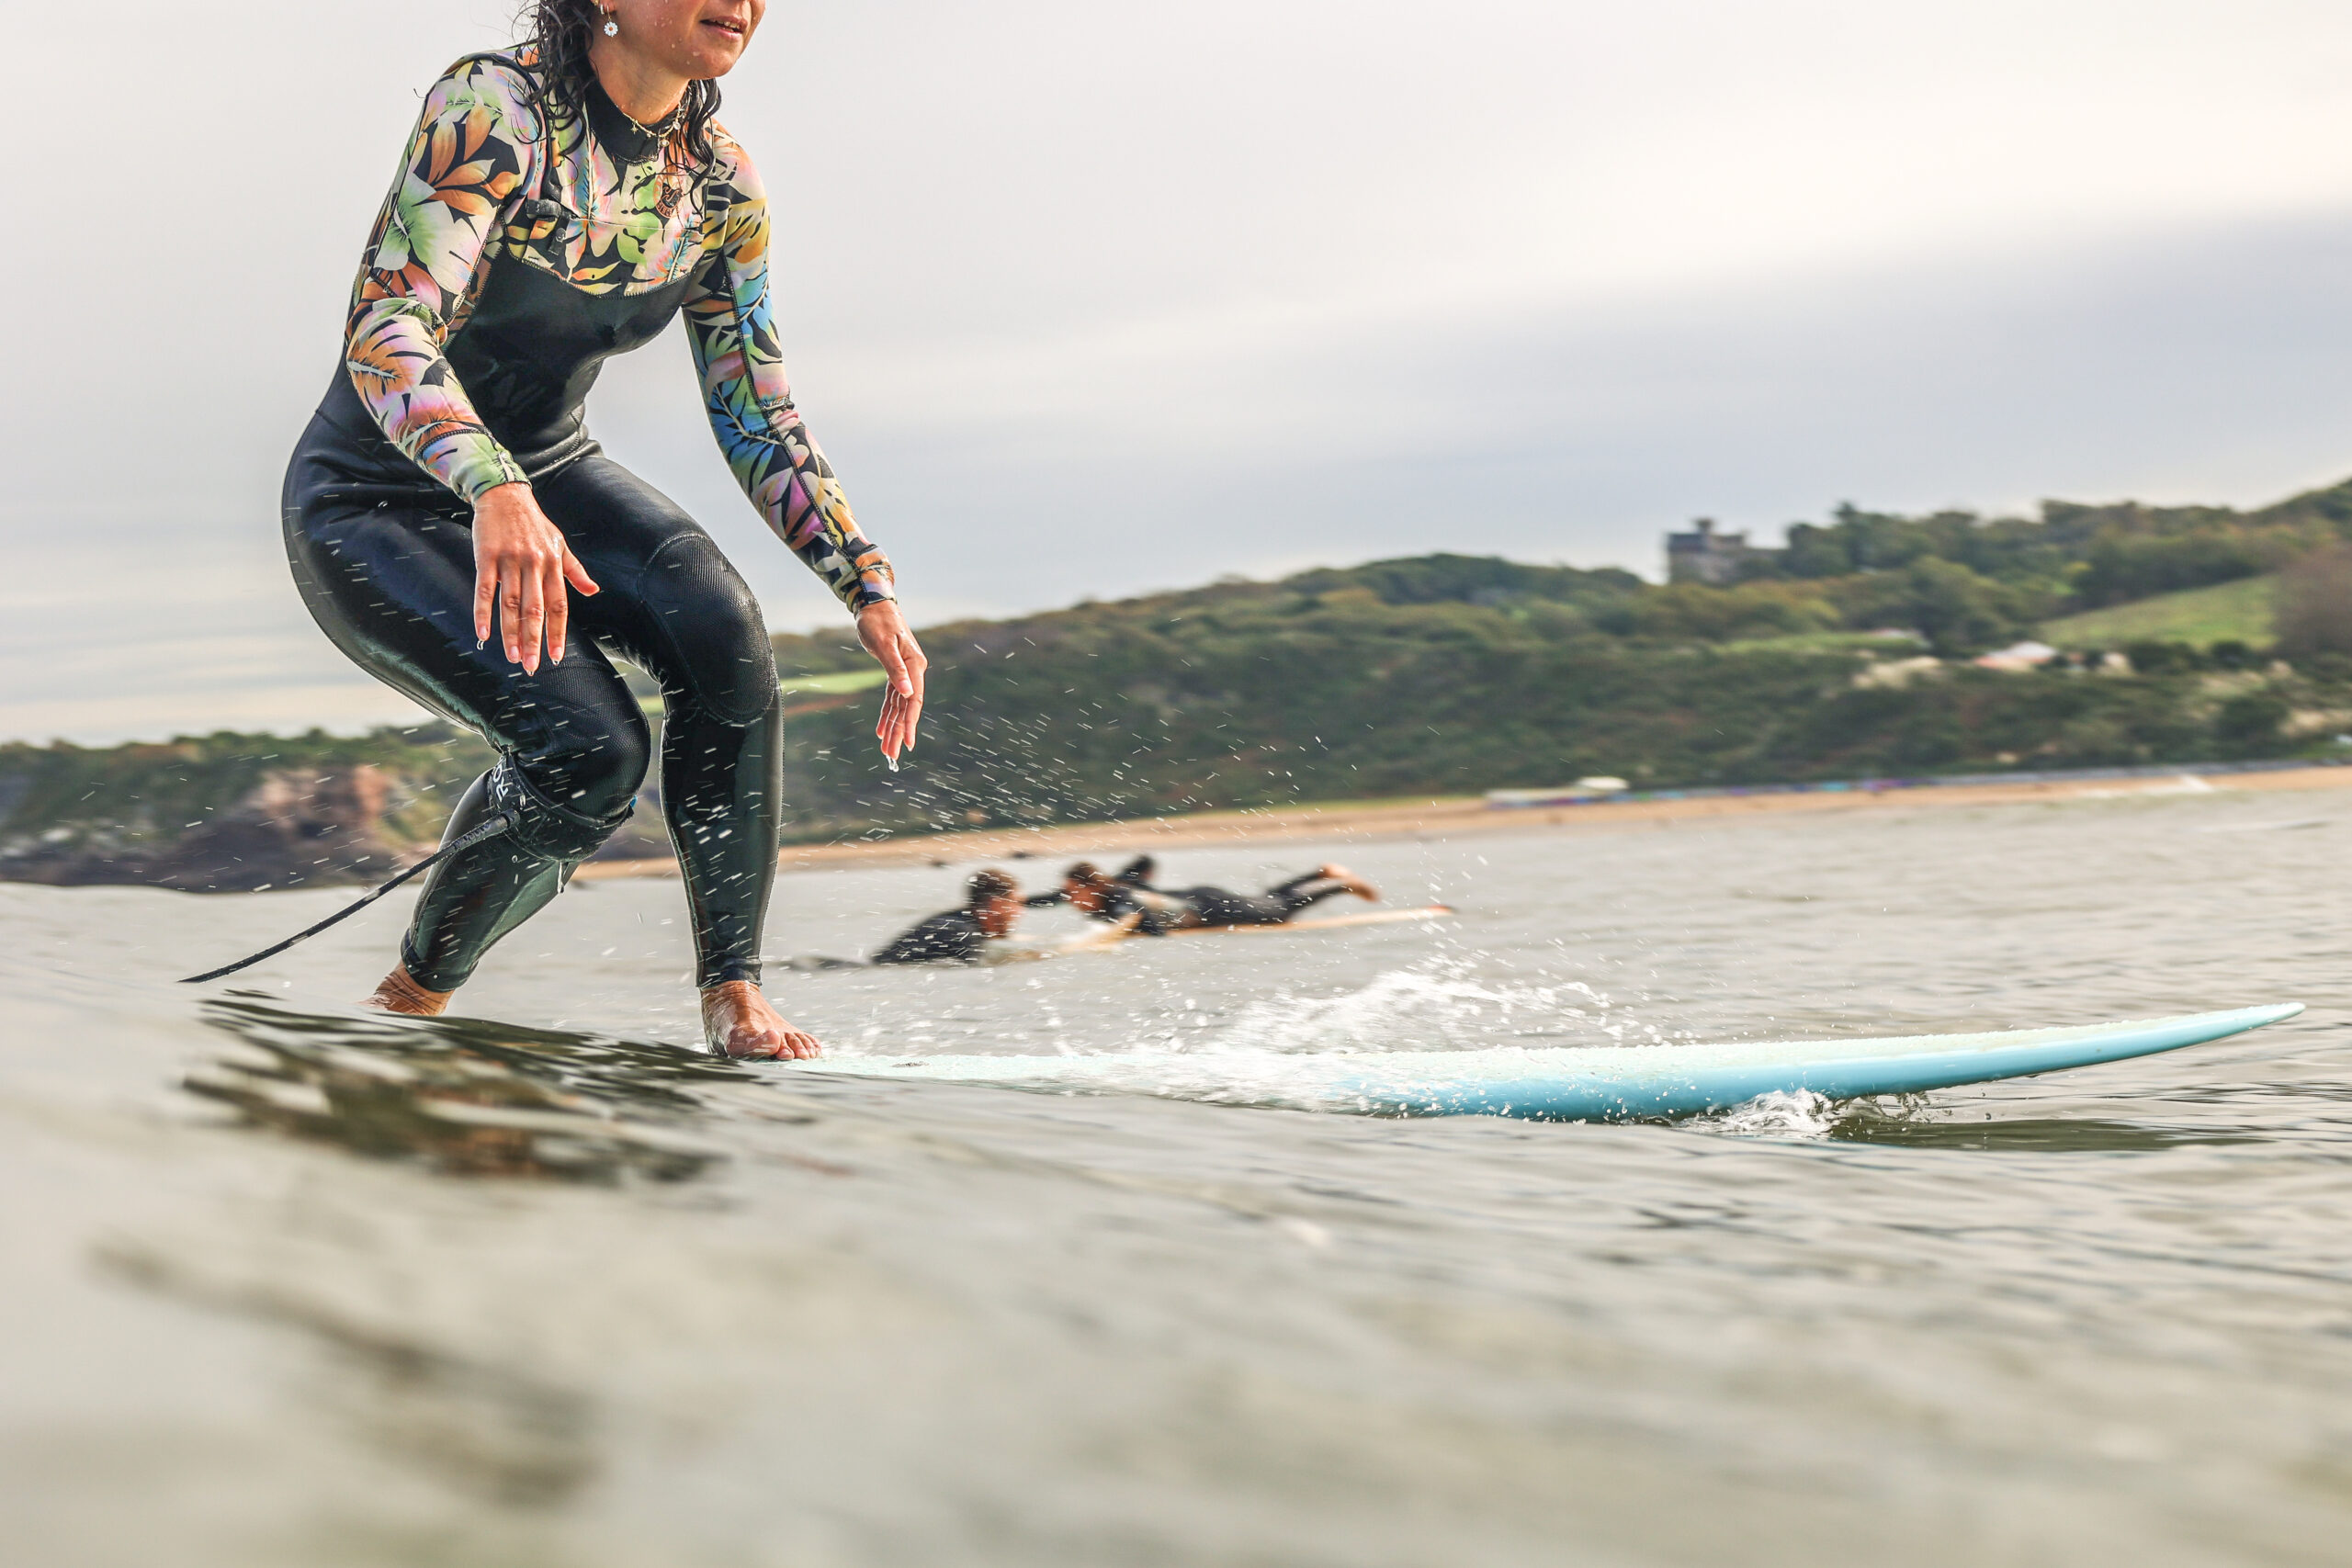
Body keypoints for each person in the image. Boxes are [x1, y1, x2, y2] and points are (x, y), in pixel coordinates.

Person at [282, 1, 924, 1059]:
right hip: (375, 496)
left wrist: (865, 582)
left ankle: (733, 991)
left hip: (546, 476)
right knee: (590, 753)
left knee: (723, 635)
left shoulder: (718, 180)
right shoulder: (496, 107)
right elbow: (390, 326)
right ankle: (411, 1005)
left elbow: (754, 403)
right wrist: (489, 484)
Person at [1046, 858, 1381, 931]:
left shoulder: (1118, 897)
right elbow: (1050, 898)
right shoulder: (1106, 892)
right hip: (1202, 898)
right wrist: (1019, 902)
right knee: (1266, 900)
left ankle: (1342, 885)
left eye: (1074, 893)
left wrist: (1138, 931)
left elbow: (1137, 914)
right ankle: (1320, 873)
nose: (1070, 900)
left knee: (1278, 913)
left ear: (1091, 887)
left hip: (1210, 907)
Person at [873, 870, 1025, 964]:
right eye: (1017, 903)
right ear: (997, 904)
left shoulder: (957, 921)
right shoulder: (960, 932)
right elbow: (978, 968)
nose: (1020, 912)